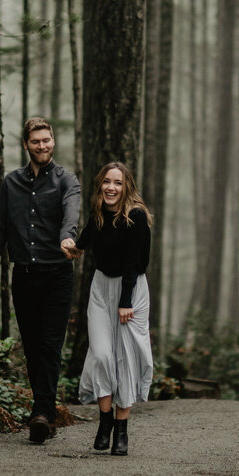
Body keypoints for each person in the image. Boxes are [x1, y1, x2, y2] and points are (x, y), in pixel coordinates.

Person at [0, 117, 81, 444]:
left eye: (47, 140)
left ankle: (41, 413)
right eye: (36, 141)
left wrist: (68, 237)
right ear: (26, 145)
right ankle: (47, 412)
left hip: (57, 274)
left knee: (51, 344)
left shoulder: (67, 180)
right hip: (24, 276)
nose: (43, 145)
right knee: (33, 346)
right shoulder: (12, 183)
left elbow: (71, 212)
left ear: (53, 141)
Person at [67, 161, 154, 456]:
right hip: (101, 289)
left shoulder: (136, 216)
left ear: (127, 186)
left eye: (117, 182)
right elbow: (87, 240)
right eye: (107, 182)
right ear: (100, 185)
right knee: (102, 355)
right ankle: (104, 423)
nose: (111, 188)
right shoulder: (100, 212)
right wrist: (73, 247)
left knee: (126, 360)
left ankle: (121, 431)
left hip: (131, 290)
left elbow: (132, 262)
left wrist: (126, 301)